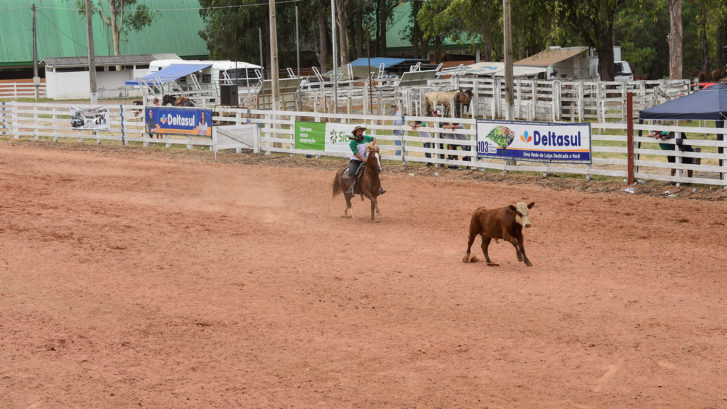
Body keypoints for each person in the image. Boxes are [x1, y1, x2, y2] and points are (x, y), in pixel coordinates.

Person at [346, 126, 386, 196]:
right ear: (355, 133)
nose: (360, 133)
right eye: (358, 132)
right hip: (356, 160)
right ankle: (351, 188)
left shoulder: (366, 138)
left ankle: (379, 187)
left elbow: (373, 138)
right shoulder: (353, 142)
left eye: (361, 131)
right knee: (352, 172)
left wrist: (373, 143)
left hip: (366, 160)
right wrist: (363, 160)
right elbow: (356, 153)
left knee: (375, 170)